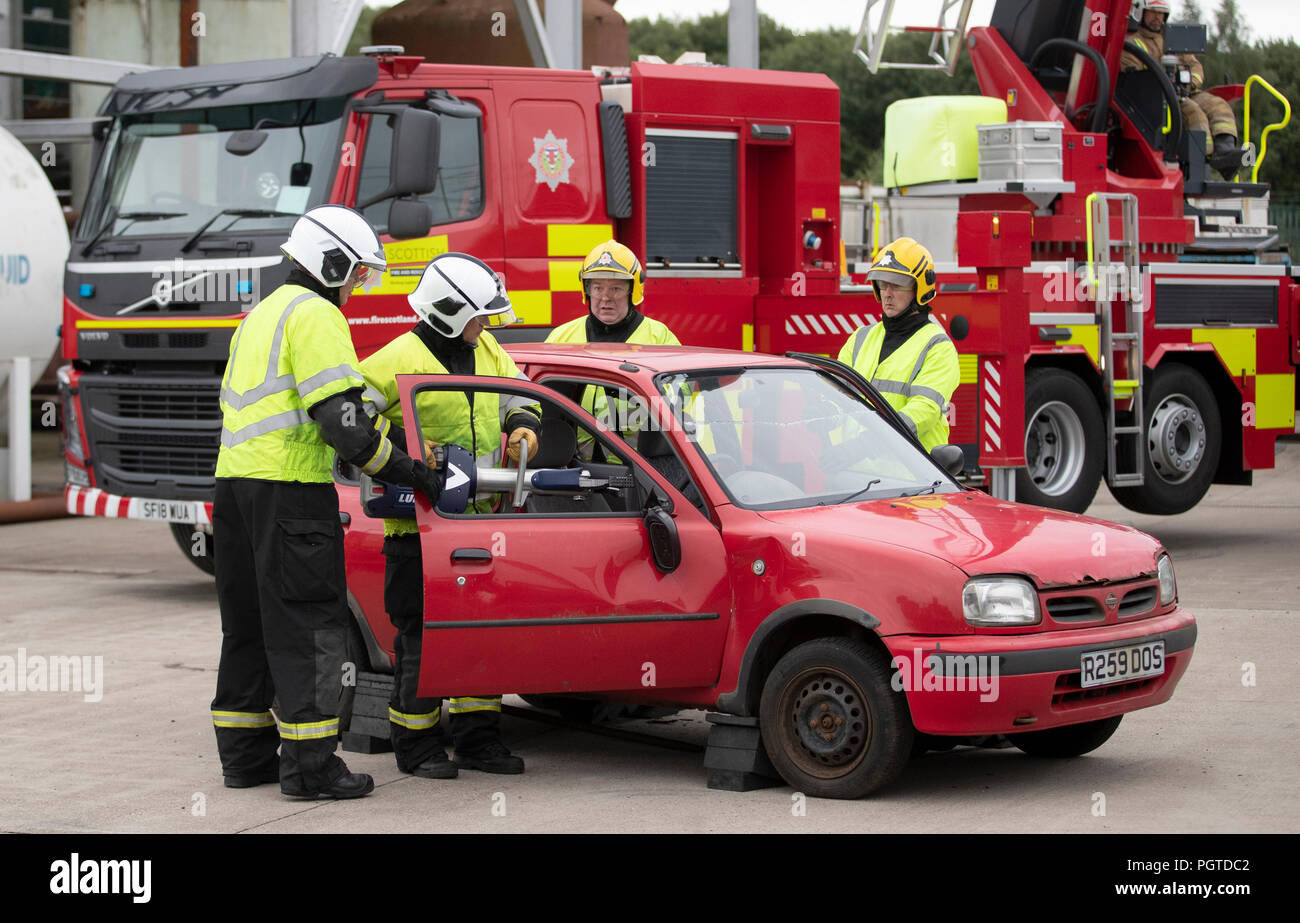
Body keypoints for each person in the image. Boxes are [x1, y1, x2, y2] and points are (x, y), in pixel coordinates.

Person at [211, 204, 443, 799]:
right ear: (331, 260)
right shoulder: (315, 314)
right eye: (357, 274)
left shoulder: (260, 314)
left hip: (235, 491)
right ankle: (311, 768)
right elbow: (344, 423)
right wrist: (410, 470)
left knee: (248, 627)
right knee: (309, 627)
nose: (358, 288)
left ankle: (245, 758)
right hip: (292, 494)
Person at [361, 252, 541, 780]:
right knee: (420, 639)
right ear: (448, 314)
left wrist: (525, 424)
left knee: (482, 636)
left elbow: (517, 397)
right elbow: (354, 424)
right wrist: (412, 454)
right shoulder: (394, 358)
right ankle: (416, 748)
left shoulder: (484, 347)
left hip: (480, 525)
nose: (487, 326)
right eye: (478, 317)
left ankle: (478, 742)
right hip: (417, 529)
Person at [836, 237, 960, 452]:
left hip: (912, 477)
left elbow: (923, 410)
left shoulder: (938, 347)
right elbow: (835, 395)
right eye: (883, 284)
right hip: (853, 472)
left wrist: (869, 443)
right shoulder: (860, 338)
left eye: (898, 284)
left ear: (920, 289)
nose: (887, 293)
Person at [1121, 0, 1246, 179]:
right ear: (1141, 12)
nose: (1158, 17)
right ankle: (1205, 163)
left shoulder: (1173, 38)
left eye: (1161, 13)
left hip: (1186, 93)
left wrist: (1190, 83)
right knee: (1194, 114)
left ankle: (1225, 152)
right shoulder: (1131, 44)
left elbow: (1195, 66)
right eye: (1153, 12)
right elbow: (1139, 79)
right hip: (1158, 102)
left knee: (1218, 105)